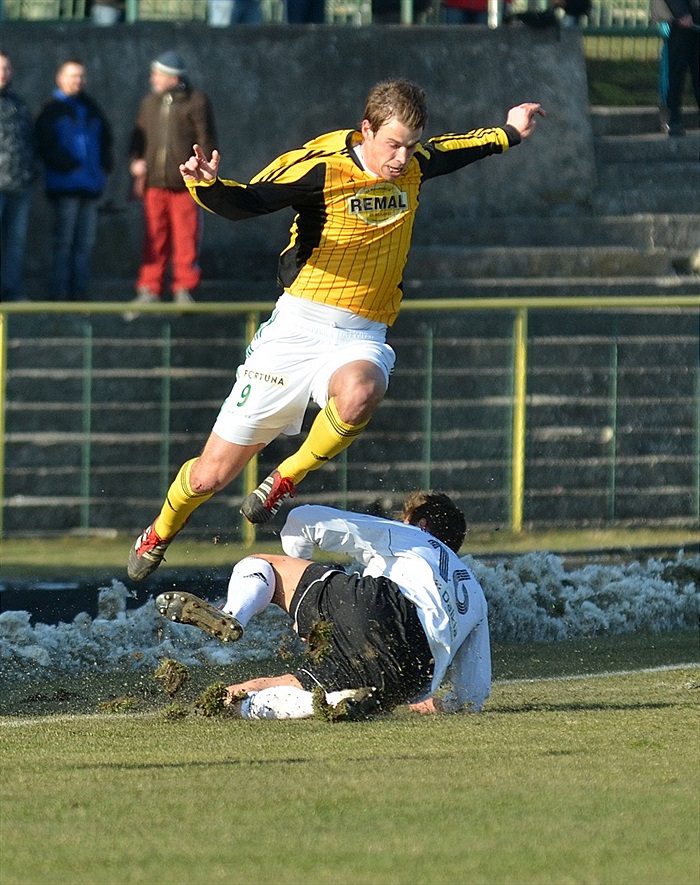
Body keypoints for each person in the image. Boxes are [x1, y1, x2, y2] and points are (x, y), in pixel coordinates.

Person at [127, 77, 545, 582]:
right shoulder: (322, 170)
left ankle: (284, 479)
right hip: (298, 327)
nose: (401, 158)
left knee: (363, 390)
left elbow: (456, 149)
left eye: (410, 146)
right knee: (211, 475)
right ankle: (159, 532)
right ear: (365, 129)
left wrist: (510, 131)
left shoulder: (413, 164)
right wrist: (206, 184)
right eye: (391, 144)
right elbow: (250, 201)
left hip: (361, 333)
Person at [155, 491, 491, 719]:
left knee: (263, 565)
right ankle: (324, 702)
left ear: (421, 524)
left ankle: (233, 614)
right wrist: (439, 702)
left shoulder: (415, 537)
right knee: (248, 694)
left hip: (378, 608)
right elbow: (474, 693)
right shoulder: (473, 592)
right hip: (409, 675)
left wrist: (300, 587)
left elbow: (307, 520)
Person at [126, 51, 217, 315]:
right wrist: (135, 161)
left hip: (184, 184)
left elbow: (207, 139)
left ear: (173, 77)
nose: (152, 78)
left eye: (157, 73)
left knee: (186, 236)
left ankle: (184, 289)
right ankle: (149, 289)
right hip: (154, 182)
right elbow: (137, 138)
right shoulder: (148, 103)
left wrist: (202, 173)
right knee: (154, 237)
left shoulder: (197, 101)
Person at [34, 59, 113, 301]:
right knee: (64, 243)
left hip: (90, 187)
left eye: (80, 76)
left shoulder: (91, 108)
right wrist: (67, 164)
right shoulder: (51, 109)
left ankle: (79, 294)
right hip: (64, 187)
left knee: (84, 245)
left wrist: (103, 168)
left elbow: (106, 140)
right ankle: (58, 294)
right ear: (59, 78)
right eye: (71, 75)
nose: (76, 80)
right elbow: (44, 145)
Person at [0, 51, 35, 302]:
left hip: (19, 184)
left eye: (6, 68)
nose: (3, 73)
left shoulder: (18, 104)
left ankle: (12, 291)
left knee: (15, 243)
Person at [652, 0, 699, 136]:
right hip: (676, 21)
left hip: (693, 18)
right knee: (675, 73)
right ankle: (673, 119)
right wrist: (681, 13)